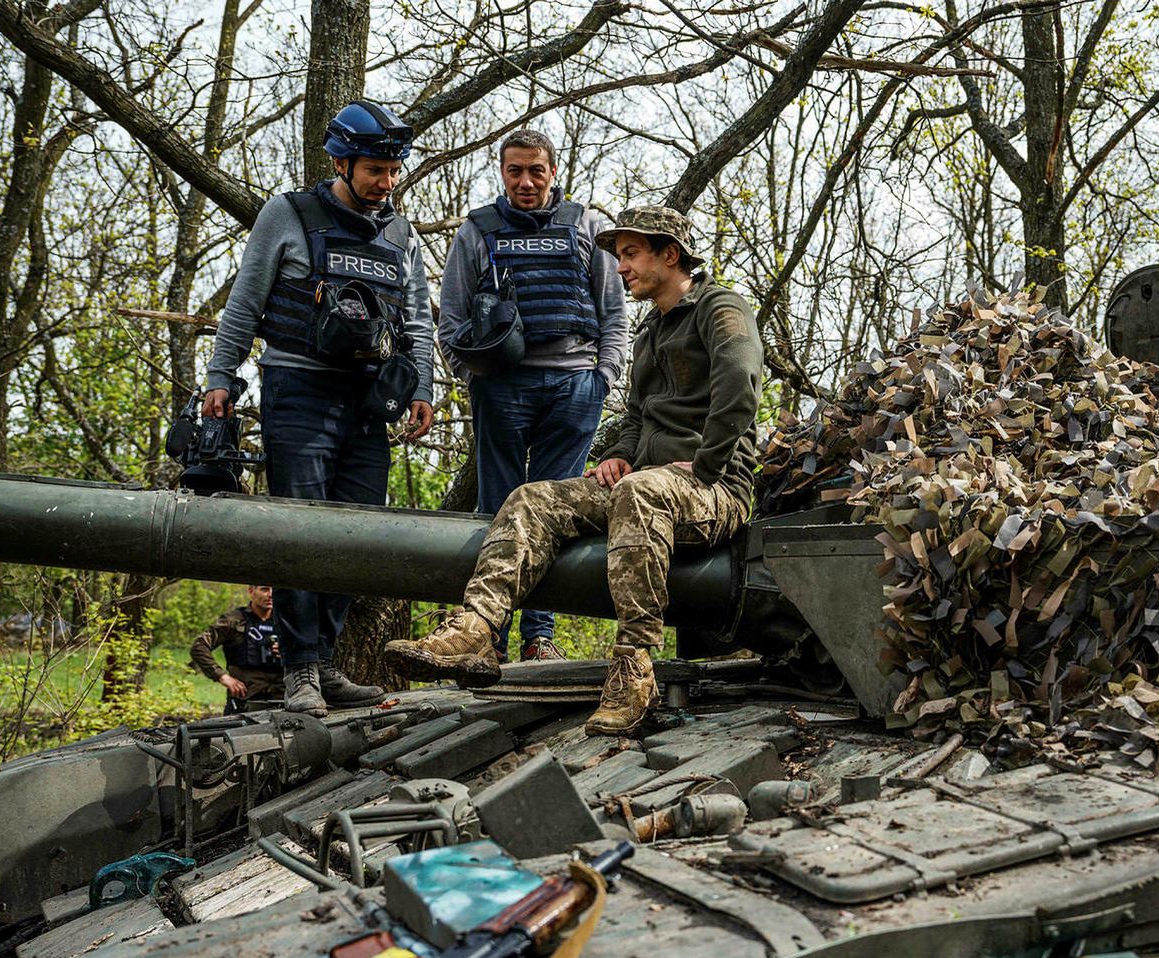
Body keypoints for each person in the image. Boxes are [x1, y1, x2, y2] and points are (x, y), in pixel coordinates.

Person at [389, 207, 760, 736]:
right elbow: (637, 414)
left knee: (640, 492)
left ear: (670, 254)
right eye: (619, 256)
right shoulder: (650, 330)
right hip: (649, 483)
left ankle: (634, 668)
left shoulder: (719, 307)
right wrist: (620, 454)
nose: (621, 267)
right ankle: (474, 628)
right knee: (532, 498)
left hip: (716, 488)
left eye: (631, 254)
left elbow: (741, 382)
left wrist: (705, 465)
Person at [202, 100, 435, 716]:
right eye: (375, 170)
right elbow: (245, 302)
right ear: (341, 161)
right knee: (300, 531)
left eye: (393, 170)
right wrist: (220, 376)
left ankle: (323, 664)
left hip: (368, 398)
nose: (386, 182)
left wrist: (422, 389)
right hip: (297, 389)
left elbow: (415, 320)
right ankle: (300, 668)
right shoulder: (289, 213)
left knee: (358, 533)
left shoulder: (400, 233)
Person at [439, 129, 628, 663]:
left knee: (553, 512)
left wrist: (603, 378)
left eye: (535, 171)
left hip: (574, 386)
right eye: (514, 171)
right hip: (502, 387)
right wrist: (472, 377)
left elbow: (615, 312)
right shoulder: (478, 230)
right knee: (495, 510)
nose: (525, 182)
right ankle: (488, 637)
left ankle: (538, 636)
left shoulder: (587, 225)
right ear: (502, 172)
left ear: (552, 170)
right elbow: (450, 319)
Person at [190, 585, 283, 713]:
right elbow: (199, 646)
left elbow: (312, 649)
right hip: (245, 700)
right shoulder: (234, 620)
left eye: (275, 590)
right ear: (251, 591)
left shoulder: (286, 621)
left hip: (283, 698)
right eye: (264, 589)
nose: (271, 594)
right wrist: (222, 676)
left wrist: (288, 651)